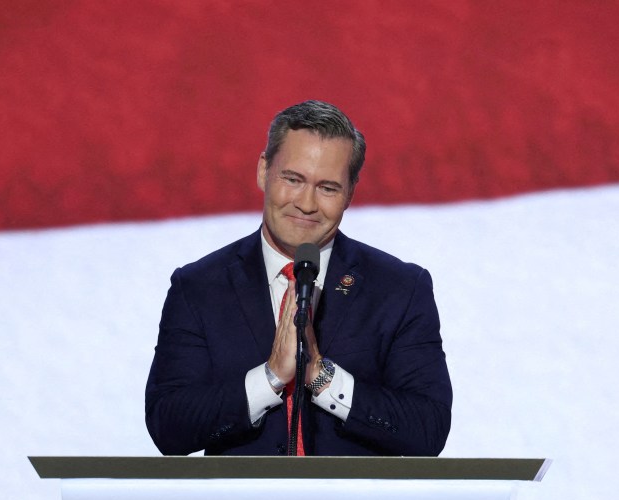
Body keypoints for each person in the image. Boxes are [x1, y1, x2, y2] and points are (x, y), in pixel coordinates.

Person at [145, 100, 452, 456]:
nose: (306, 203)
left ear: (350, 192)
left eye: (328, 188)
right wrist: (272, 377)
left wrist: (321, 378)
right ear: (263, 171)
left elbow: (428, 429)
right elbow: (168, 427)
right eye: (293, 179)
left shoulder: (399, 289)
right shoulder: (199, 288)